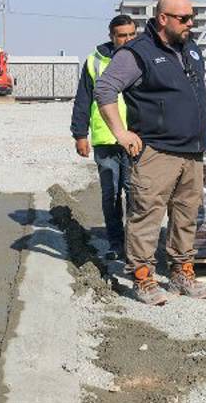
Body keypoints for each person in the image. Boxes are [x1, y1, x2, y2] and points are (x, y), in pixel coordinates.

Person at [95, 0, 206, 305]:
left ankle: (181, 271)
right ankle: (142, 277)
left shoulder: (191, 49)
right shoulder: (137, 52)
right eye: (184, 18)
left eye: (192, 17)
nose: (190, 23)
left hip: (192, 150)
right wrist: (120, 133)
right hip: (157, 151)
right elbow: (105, 89)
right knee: (147, 214)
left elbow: (197, 93)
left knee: (186, 215)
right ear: (163, 19)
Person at [70, 15, 138, 260]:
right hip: (105, 140)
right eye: (122, 35)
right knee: (110, 195)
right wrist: (80, 134)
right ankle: (116, 243)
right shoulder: (95, 61)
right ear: (112, 36)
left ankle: (134, 245)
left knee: (135, 194)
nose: (128, 39)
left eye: (132, 34)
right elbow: (83, 100)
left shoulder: (142, 57)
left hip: (135, 139)